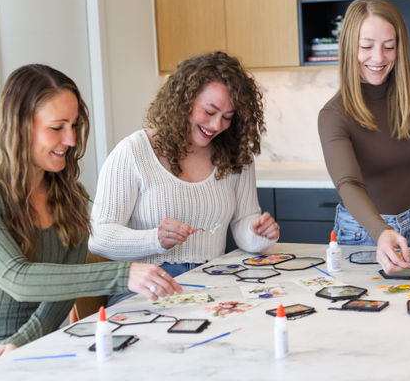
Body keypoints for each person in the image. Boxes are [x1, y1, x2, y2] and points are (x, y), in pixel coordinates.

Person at [0, 64, 181, 380]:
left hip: (37, 344)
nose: (70, 139)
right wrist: (123, 273)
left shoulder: (70, 194)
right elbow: (17, 278)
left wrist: (22, 342)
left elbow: (64, 290)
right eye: (57, 128)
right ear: (20, 127)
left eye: (75, 125)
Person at [89, 51, 279, 301]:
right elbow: (99, 238)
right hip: (148, 286)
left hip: (213, 280)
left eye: (228, 118)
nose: (216, 126)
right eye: (210, 112)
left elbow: (244, 222)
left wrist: (258, 234)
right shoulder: (134, 152)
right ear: (184, 102)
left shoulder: (235, 155)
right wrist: (153, 239)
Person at [318, 0, 410, 275]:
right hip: (364, 238)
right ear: (349, 47)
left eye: (389, 47)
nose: (379, 57)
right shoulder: (333, 115)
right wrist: (381, 232)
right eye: (366, 46)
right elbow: (348, 183)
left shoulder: (406, 99)